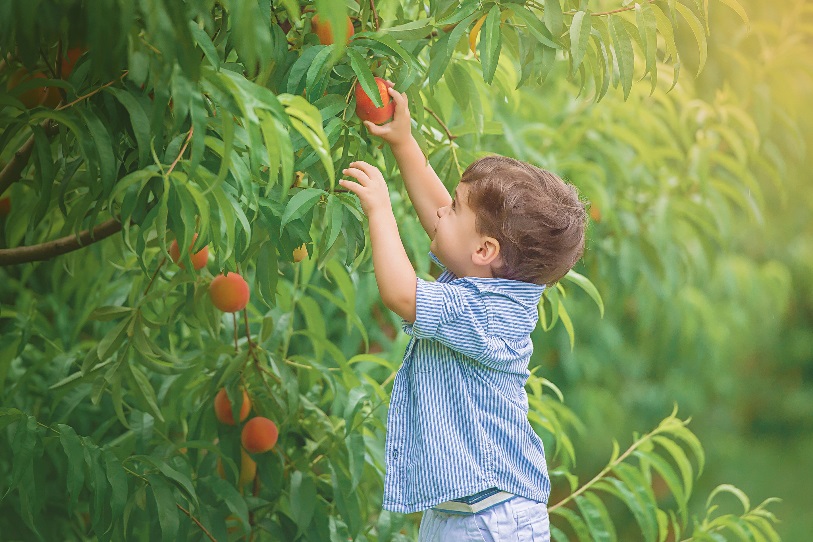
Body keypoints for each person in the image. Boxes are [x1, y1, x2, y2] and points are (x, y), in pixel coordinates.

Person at [338, 81, 586, 542]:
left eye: (455, 209)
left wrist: (380, 210)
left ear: (485, 249)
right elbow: (439, 213)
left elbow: (400, 294)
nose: (440, 215)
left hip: (491, 521)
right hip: (466, 512)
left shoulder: (485, 311)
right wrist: (404, 141)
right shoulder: (484, 280)